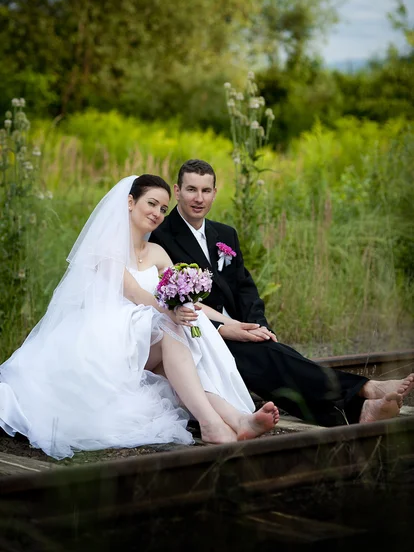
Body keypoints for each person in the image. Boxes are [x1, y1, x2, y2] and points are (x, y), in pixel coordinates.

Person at [0, 175, 280, 460]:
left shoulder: (158, 252)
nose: (157, 213)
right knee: (171, 327)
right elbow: (134, 293)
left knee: (175, 362)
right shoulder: (106, 247)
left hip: (143, 338)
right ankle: (213, 424)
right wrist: (171, 311)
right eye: (152, 204)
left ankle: (235, 420)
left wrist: (229, 323)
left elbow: (187, 301)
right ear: (131, 202)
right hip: (106, 337)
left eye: (163, 208)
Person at [150, 159, 414, 427]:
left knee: (274, 358)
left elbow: (246, 289)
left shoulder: (225, 234)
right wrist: (222, 328)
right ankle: (365, 389)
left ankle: (358, 412)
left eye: (206, 191)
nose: (199, 198)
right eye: (191, 189)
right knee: (272, 361)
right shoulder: (160, 237)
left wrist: (259, 327)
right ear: (177, 190)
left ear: (215, 192)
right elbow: (170, 299)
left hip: (241, 329)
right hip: (198, 333)